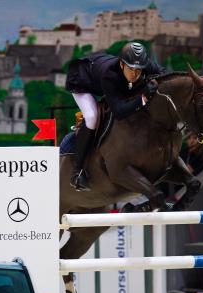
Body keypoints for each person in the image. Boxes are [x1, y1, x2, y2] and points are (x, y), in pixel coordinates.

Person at [65, 42, 167, 191]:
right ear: (122, 64)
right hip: (82, 81)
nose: (135, 74)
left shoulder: (145, 65)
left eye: (138, 70)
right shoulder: (109, 75)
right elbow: (119, 112)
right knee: (92, 117)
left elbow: (165, 74)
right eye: (131, 69)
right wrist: (143, 98)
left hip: (103, 74)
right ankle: (77, 172)